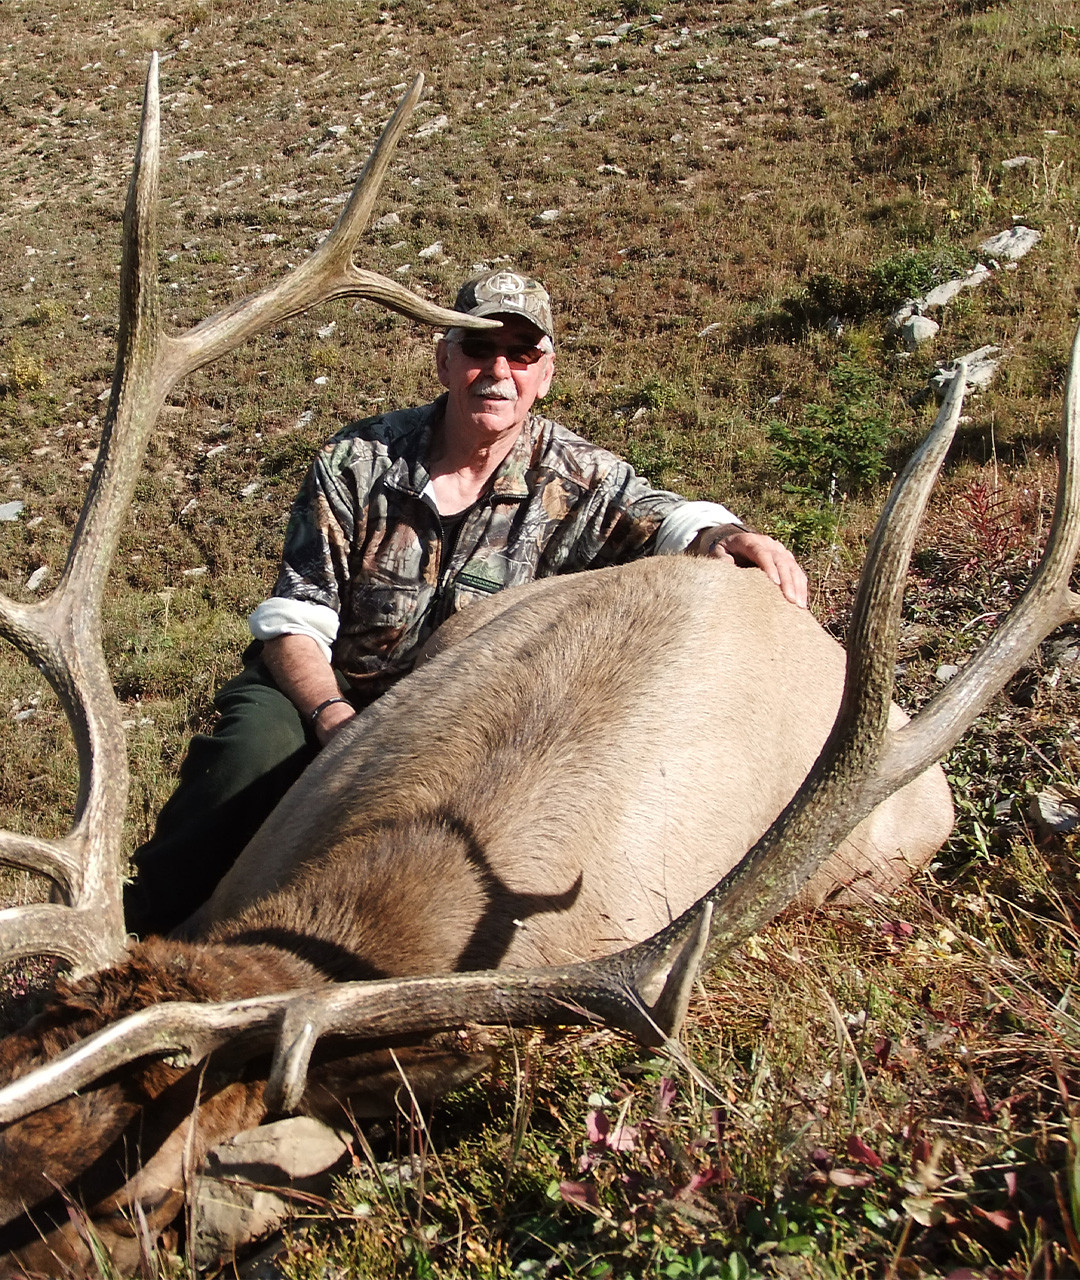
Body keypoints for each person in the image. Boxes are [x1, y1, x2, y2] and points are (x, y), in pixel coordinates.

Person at [123, 269, 807, 936]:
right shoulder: (359, 459)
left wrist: (728, 536)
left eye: (521, 353)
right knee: (249, 755)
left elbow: (665, 519)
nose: (498, 370)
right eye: (478, 347)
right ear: (444, 361)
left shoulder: (577, 476)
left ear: (545, 373)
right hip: (327, 689)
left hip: (457, 722)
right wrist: (334, 719)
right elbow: (296, 619)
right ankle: (147, 921)